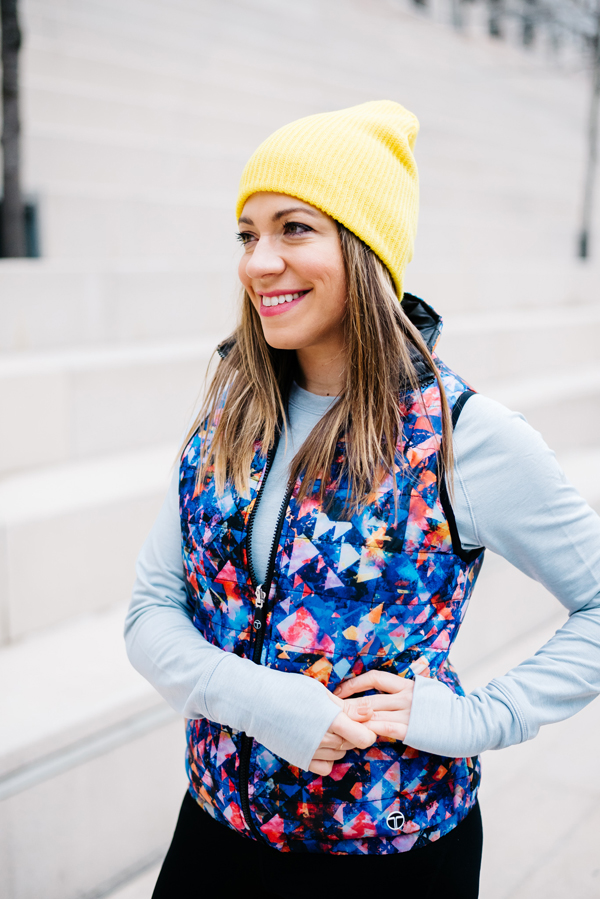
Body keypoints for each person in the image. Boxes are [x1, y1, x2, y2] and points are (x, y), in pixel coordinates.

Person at [125, 100, 600, 899]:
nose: (259, 261)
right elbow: (150, 613)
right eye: (248, 234)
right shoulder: (233, 410)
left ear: (366, 246)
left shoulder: (464, 436)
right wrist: (263, 701)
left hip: (393, 860)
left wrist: (473, 717)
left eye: (294, 228)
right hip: (213, 835)